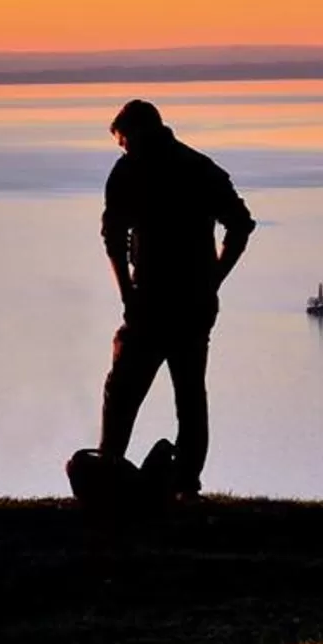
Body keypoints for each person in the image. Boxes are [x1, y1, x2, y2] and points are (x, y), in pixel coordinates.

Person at [96, 98, 255, 497]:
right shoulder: (200, 168)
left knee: (124, 391)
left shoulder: (129, 172)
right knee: (188, 393)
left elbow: (113, 239)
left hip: (152, 300)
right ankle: (184, 482)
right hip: (189, 301)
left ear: (135, 133)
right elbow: (240, 226)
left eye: (124, 141)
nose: (123, 149)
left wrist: (128, 294)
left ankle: (110, 470)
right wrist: (213, 279)